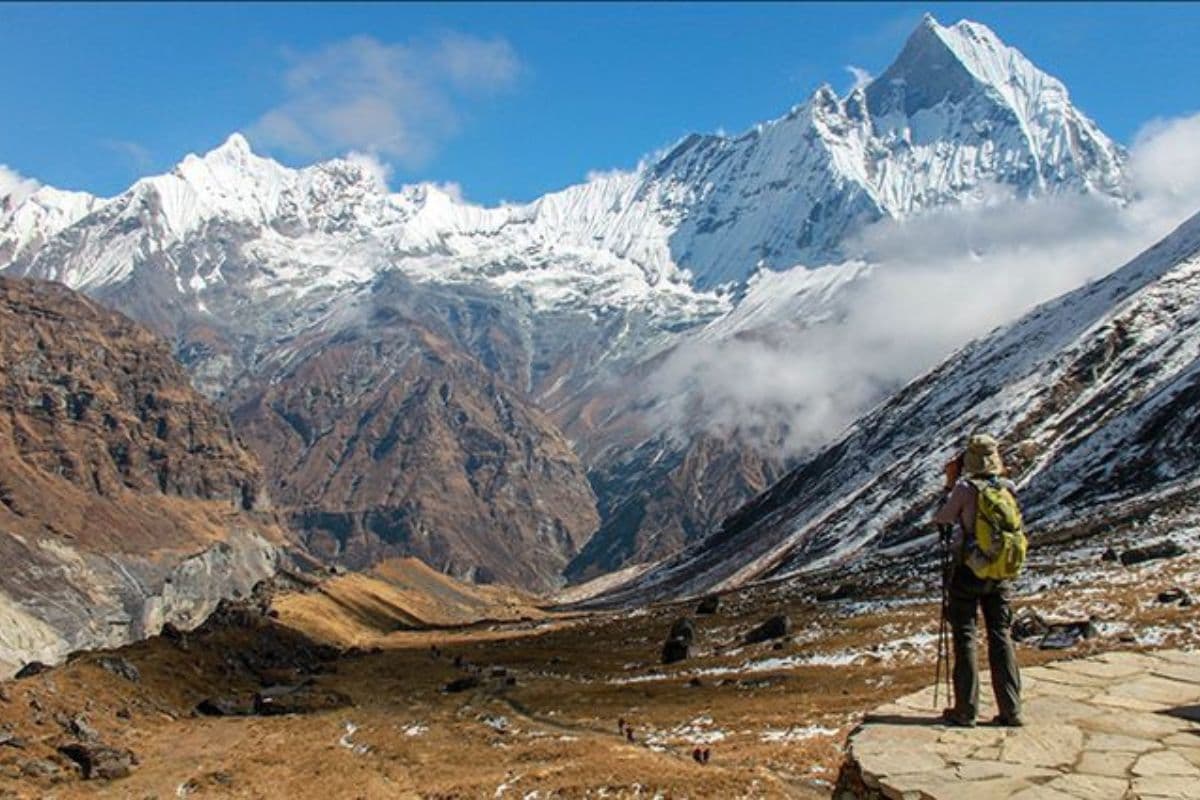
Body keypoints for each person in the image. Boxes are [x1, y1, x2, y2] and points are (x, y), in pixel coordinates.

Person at [932, 433, 1023, 728]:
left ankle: (966, 709)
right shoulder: (1007, 487)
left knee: (965, 636)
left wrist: (949, 484)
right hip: (1000, 572)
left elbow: (943, 518)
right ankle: (1011, 709)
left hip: (969, 570)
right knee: (1001, 635)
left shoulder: (964, 488)